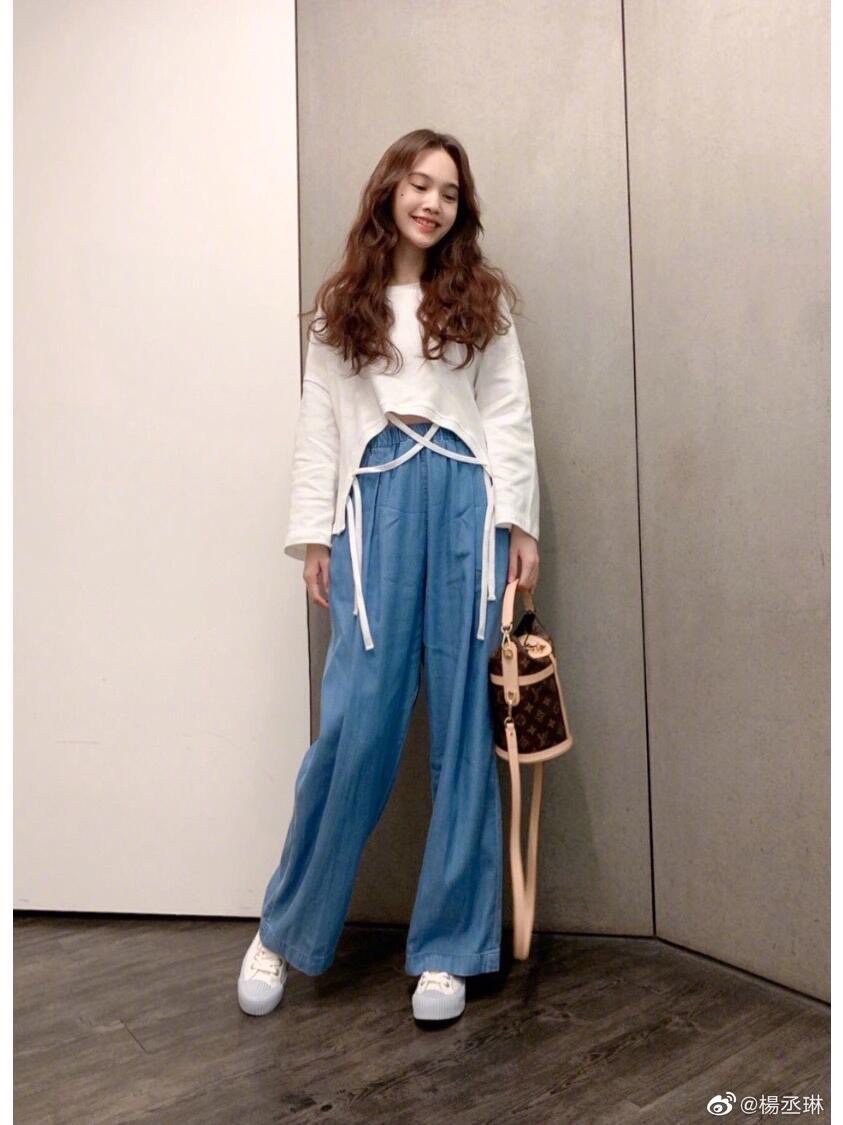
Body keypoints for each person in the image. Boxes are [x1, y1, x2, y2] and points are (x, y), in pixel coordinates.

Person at [238, 128, 540, 1022]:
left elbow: (507, 412)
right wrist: (314, 537)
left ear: (460, 210)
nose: (432, 203)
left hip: (465, 503)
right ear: (389, 190)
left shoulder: (481, 301)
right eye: (419, 184)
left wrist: (520, 524)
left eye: (448, 192)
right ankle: (284, 930)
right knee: (355, 726)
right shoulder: (344, 307)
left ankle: (449, 947)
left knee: (462, 722)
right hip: (371, 507)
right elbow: (319, 429)